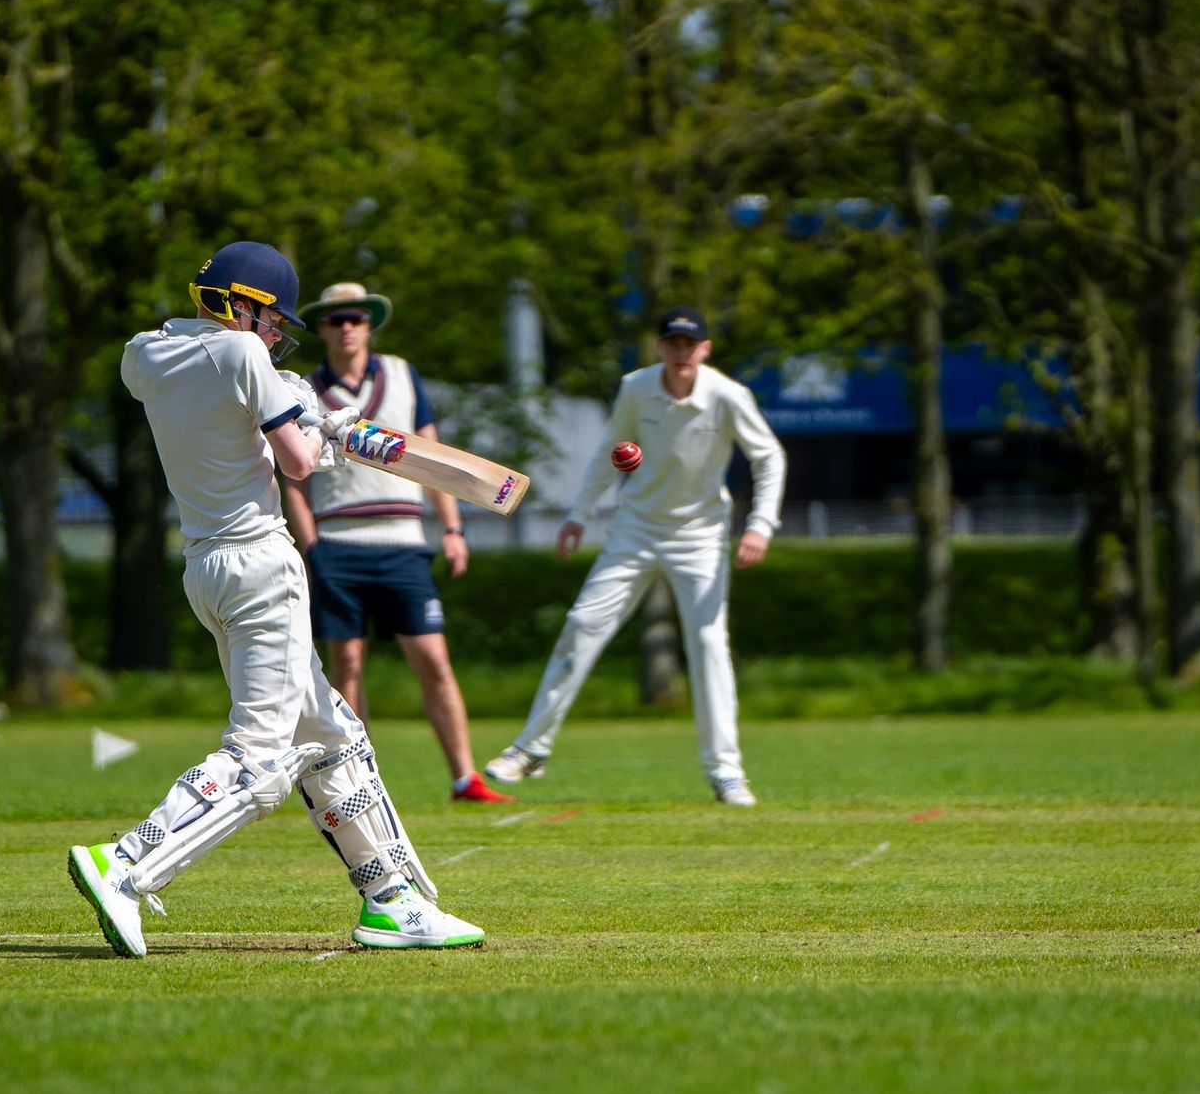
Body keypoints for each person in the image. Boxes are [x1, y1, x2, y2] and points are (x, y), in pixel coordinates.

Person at [68, 241, 484, 957]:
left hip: (205, 568)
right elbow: (295, 463)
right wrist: (320, 431)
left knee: (331, 737)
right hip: (262, 566)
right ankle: (128, 863)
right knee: (261, 761)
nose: (273, 333)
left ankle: (393, 900)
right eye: (268, 319)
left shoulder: (143, 356)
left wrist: (294, 408)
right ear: (238, 303)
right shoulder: (243, 358)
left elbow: (221, 412)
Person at [483, 307, 786, 806]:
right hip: (636, 527)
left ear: (705, 349)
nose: (681, 352)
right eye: (672, 343)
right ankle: (529, 749)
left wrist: (760, 524)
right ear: (661, 347)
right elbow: (610, 446)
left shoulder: (729, 396)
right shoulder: (637, 387)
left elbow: (769, 456)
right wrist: (580, 515)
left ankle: (727, 772)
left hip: (702, 535)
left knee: (709, 645)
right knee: (582, 624)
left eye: (690, 344)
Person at [280, 281, 514, 805]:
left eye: (355, 318)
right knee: (348, 667)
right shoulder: (302, 388)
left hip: (405, 540)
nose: (346, 327)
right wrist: (311, 543)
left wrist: (452, 529)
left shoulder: (404, 375)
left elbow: (435, 460)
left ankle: (464, 777)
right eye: (336, 319)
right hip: (339, 541)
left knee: (433, 659)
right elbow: (292, 477)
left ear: (369, 324)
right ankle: (353, 783)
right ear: (321, 327)